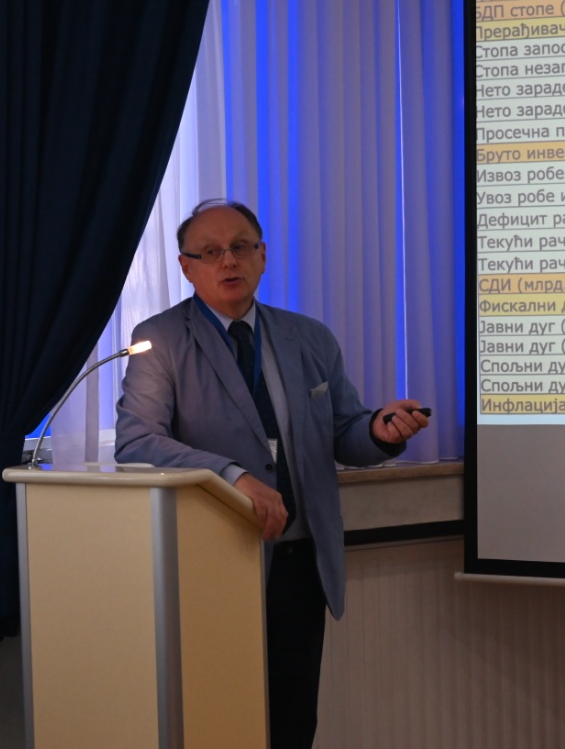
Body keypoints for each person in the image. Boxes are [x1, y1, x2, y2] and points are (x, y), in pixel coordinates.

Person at [116, 198, 428, 749]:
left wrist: (380, 432)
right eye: (210, 252)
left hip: (299, 562)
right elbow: (137, 441)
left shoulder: (309, 337)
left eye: (241, 247)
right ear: (186, 267)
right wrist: (231, 474)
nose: (228, 261)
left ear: (263, 256)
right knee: (222, 722)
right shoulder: (159, 340)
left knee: (291, 722)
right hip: (213, 561)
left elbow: (344, 431)